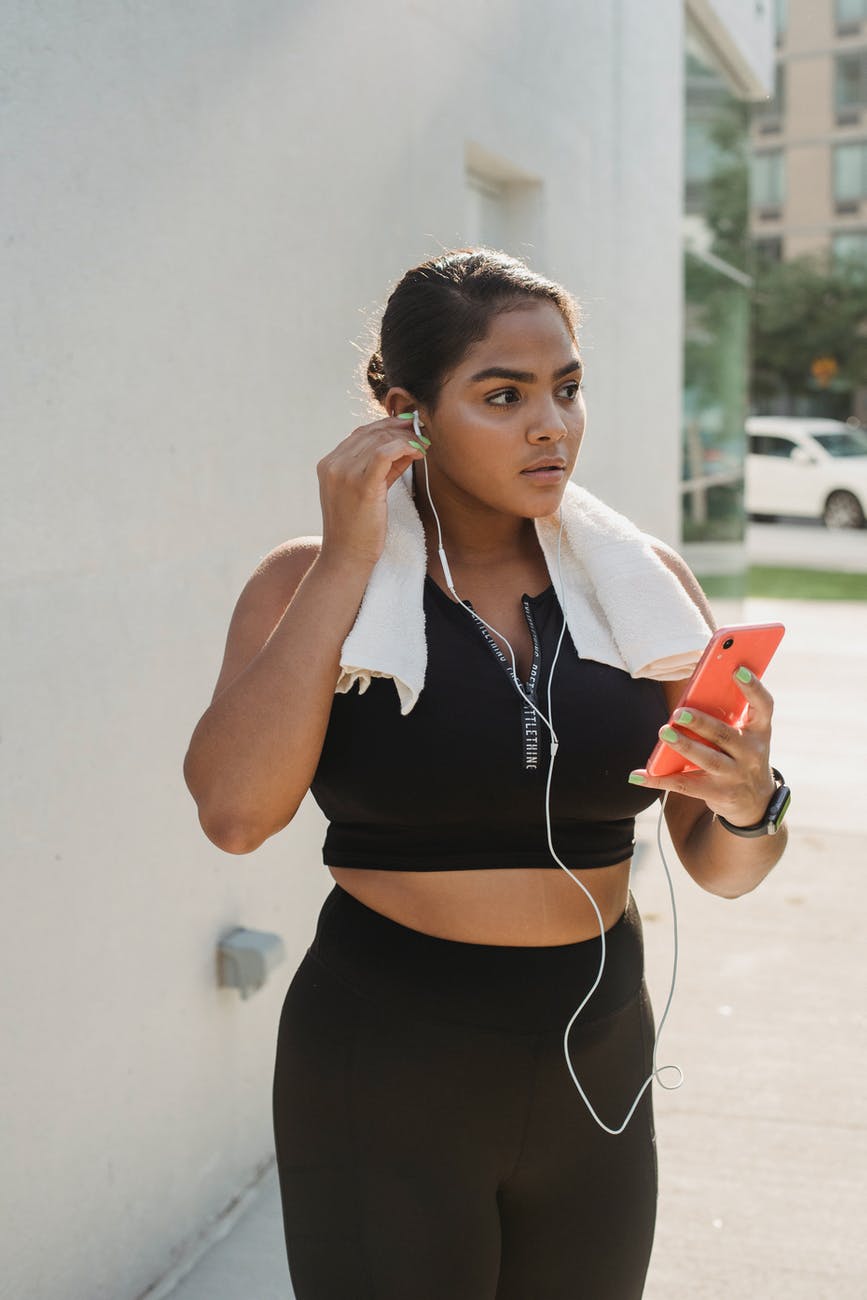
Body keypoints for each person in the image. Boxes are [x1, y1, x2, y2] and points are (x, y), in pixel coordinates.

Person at [183, 249, 788, 1300]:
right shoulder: (308, 581)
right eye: (502, 395)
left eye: (566, 387)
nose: (550, 424)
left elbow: (723, 867)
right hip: (387, 1049)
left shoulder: (644, 590)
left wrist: (750, 803)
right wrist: (343, 558)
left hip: (595, 1049)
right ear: (406, 413)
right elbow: (236, 814)